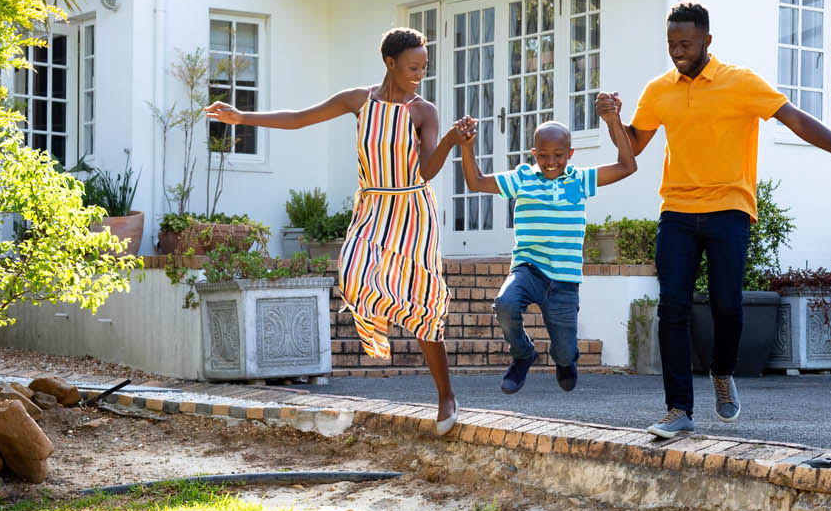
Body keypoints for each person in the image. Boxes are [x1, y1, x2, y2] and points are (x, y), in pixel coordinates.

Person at [599, 1, 831, 439]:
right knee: (672, 307)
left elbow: (796, 119)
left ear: (708, 40)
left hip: (730, 208)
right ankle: (678, 409)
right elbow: (632, 149)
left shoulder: (741, 83)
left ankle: (722, 372)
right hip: (677, 211)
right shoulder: (658, 90)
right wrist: (614, 121)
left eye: (686, 43)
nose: (677, 52)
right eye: (671, 44)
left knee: (727, 304)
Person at [203, 27, 473, 435]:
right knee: (352, 271)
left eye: (424, 67)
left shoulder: (424, 111)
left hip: (414, 211)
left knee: (424, 302)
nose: (420, 74)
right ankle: (384, 315)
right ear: (390, 63)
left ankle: (445, 395)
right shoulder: (358, 101)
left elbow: (427, 171)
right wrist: (243, 117)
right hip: (373, 204)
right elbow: (299, 118)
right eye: (413, 66)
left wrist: (452, 138)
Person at [457, 113, 637, 394]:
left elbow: (627, 166)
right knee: (505, 304)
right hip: (529, 270)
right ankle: (523, 354)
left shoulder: (580, 179)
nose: (551, 162)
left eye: (558, 155)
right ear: (533, 153)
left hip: (564, 281)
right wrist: (467, 146)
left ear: (570, 153)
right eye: (543, 155)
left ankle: (565, 362)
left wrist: (613, 121)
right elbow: (477, 183)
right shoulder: (523, 178)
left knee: (565, 352)